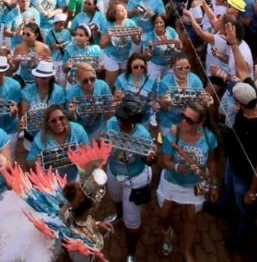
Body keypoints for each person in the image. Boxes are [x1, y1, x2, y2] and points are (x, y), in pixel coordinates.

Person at [157, 101, 220, 262]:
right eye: (183, 116)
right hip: (172, 181)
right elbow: (165, 161)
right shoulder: (174, 134)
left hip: (195, 184)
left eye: (190, 120)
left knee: (191, 218)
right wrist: (178, 168)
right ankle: (167, 232)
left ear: (201, 122)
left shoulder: (208, 136)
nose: (184, 121)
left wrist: (213, 184)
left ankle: (187, 251)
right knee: (164, 214)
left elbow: (212, 161)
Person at [103, 95, 156, 262]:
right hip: (113, 171)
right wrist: (102, 142)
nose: (120, 121)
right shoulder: (111, 123)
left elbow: (149, 160)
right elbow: (105, 144)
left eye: (124, 119)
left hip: (135, 178)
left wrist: (150, 157)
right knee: (115, 197)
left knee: (132, 223)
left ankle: (131, 252)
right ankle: (119, 214)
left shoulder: (143, 134)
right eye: (119, 117)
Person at [223, 81, 257, 252]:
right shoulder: (254, 100)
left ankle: (241, 237)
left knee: (244, 209)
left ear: (239, 103)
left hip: (244, 175)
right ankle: (223, 208)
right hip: (232, 162)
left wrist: (252, 191)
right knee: (228, 189)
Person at [26, 105, 90, 180]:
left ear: (66, 118)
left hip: (76, 176)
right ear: (48, 124)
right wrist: (35, 163)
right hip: (51, 180)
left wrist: (85, 152)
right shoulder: (39, 138)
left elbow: (90, 153)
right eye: (53, 121)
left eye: (61, 118)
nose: (58, 122)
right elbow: (29, 163)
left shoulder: (78, 130)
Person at [20, 60, 67, 150]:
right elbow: (24, 112)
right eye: (38, 77)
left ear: (50, 77)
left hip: (52, 134)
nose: (39, 79)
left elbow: (60, 113)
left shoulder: (58, 91)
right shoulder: (27, 91)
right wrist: (23, 119)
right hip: (31, 133)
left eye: (43, 78)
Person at [66, 62, 113, 140]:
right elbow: (69, 121)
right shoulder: (72, 94)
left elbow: (110, 113)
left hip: (99, 127)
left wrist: (105, 131)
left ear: (96, 76)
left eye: (92, 79)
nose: (89, 83)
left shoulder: (102, 86)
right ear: (78, 80)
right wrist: (72, 113)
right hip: (80, 131)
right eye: (85, 81)